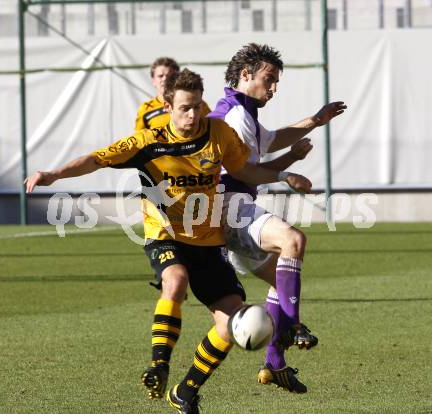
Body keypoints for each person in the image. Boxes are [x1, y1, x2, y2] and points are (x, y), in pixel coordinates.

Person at [25, 68, 312, 413]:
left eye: (197, 107)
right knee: (174, 281)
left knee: (229, 323)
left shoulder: (218, 133)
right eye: (184, 109)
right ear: (168, 105)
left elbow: (243, 170)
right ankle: (158, 365)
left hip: (207, 241)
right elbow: (96, 159)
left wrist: (283, 174)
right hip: (166, 234)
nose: (192, 116)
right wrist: (53, 174)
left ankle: (186, 391)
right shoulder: (149, 141)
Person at [208, 43, 347, 393]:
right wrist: (288, 171)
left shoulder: (242, 112)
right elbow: (248, 169)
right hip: (229, 207)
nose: (273, 88)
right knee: (293, 240)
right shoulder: (234, 115)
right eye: (268, 79)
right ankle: (292, 327)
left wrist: (315, 120)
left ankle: (274, 364)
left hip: (229, 213)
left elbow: (270, 141)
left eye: (276, 82)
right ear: (245, 75)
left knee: (281, 283)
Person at [135, 56, 211, 132]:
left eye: (169, 76)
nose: (164, 79)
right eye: (160, 76)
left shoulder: (198, 105)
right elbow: (138, 139)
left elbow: (212, 129)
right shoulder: (145, 109)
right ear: (153, 81)